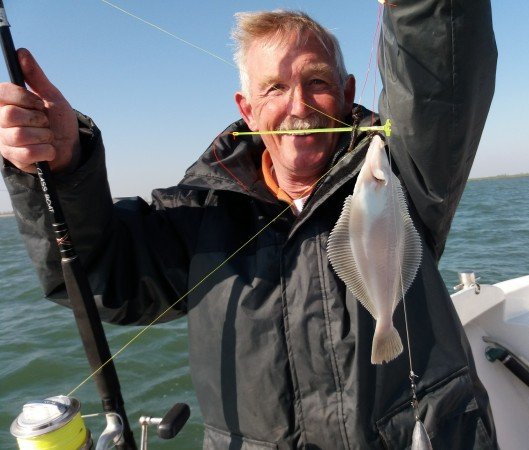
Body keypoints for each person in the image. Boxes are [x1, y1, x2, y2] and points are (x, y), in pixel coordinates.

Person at [0, 2, 497, 449]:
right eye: (275, 88)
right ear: (248, 110)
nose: (298, 106)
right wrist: (64, 171)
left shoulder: (401, 172)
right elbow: (103, 279)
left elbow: (437, 90)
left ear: (347, 94)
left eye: (317, 82)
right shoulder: (197, 215)